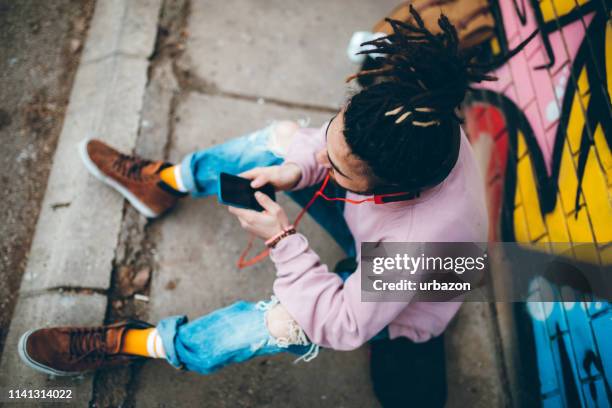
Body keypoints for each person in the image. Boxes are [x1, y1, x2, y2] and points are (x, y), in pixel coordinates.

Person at [18, 8, 519, 407]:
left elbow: (342, 323)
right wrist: (299, 168)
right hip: (371, 234)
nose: (325, 155)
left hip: (399, 300)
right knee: (281, 142)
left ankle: (145, 343)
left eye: (338, 169)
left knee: (285, 321)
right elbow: (333, 149)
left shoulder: (415, 248)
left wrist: (284, 242)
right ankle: (165, 184)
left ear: (389, 188)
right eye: (333, 137)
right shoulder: (419, 123)